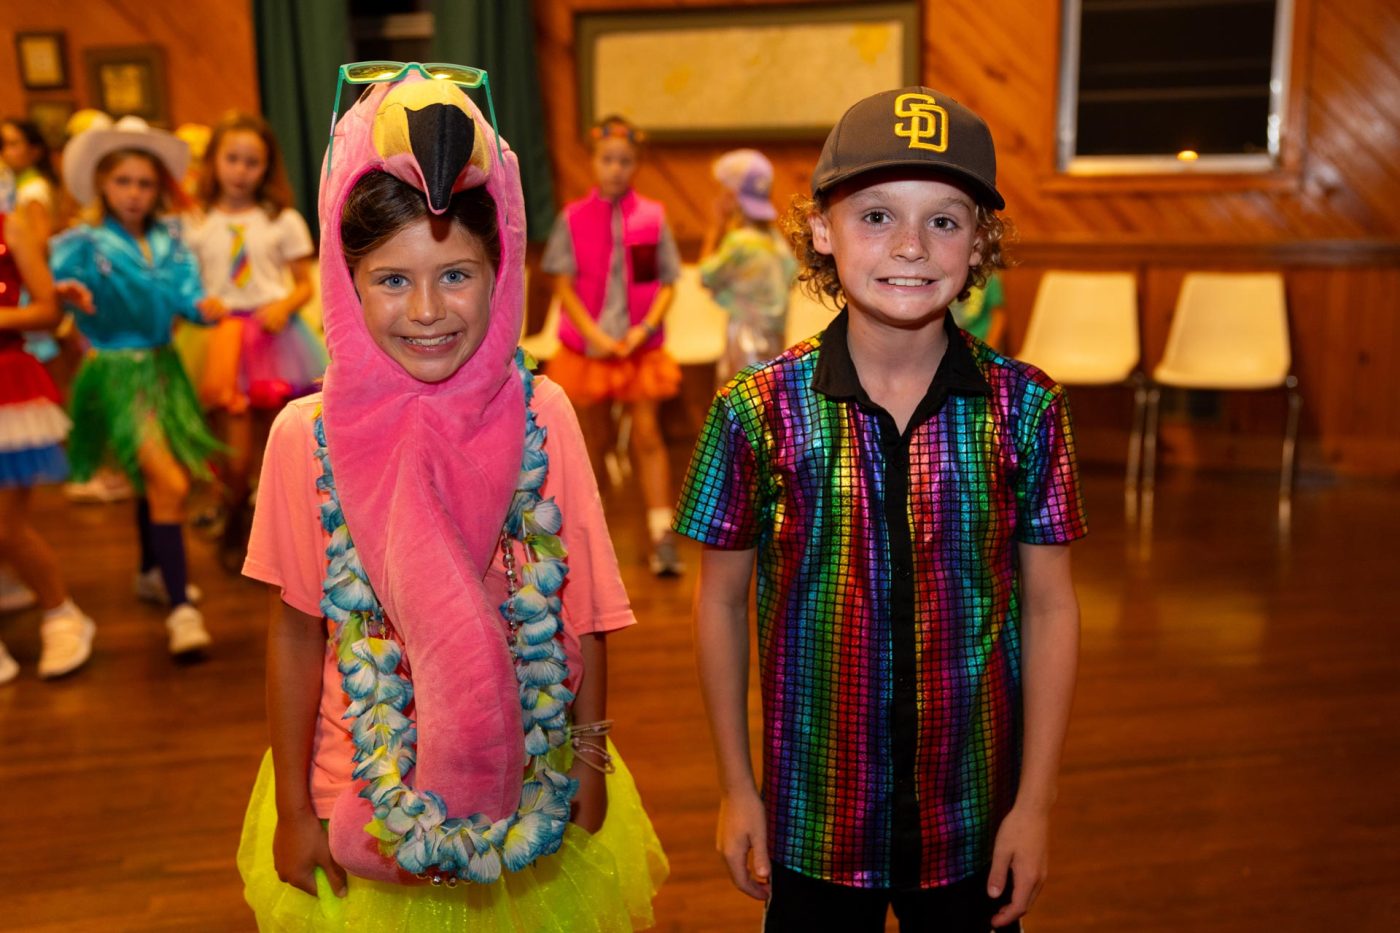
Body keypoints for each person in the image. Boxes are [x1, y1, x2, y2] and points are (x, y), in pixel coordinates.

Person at [236, 64, 666, 930]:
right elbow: (295, 629)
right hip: (356, 784)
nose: (428, 310)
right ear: (346, 286)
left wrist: (589, 757)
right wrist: (292, 806)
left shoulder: (542, 414)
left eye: (457, 275)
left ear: (500, 275)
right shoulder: (303, 437)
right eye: (392, 279)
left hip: (532, 774)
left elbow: (583, 608)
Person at [674, 87, 1087, 932]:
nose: (910, 245)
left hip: (973, 821)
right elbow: (718, 602)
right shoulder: (754, 410)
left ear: (980, 242)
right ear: (822, 230)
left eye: (944, 220)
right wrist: (736, 787)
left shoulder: (1029, 409)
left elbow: (1051, 606)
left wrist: (1035, 803)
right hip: (811, 820)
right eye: (875, 216)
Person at [50, 116, 225, 657]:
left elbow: (186, 297)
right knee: (169, 482)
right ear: (102, 184)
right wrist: (66, 295)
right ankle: (182, 610)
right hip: (115, 372)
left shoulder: (170, 240)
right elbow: (50, 292)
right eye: (123, 181)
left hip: (164, 369)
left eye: (145, 183)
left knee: (152, 481)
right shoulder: (82, 243)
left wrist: (202, 308)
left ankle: (152, 570)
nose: (134, 193)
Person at [540, 114, 685, 576]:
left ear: (636, 164)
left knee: (647, 436)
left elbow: (666, 283)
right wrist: (594, 335)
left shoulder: (652, 217)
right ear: (594, 162)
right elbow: (562, 284)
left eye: (625, 161)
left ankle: (661, 534)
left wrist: (644, 329)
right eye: (608, 160)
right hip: (588, 351)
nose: (616, 169)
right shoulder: (574, 218)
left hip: (640, 350)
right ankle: (587, 537)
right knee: (592, 441)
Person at [184, 111, 323, 571]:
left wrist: (285, 304)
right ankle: (234, 516)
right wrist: (200, 300)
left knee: (277, 445)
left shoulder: (281, 219)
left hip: (275, 338)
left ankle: (270, 532)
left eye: (252, 161)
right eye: (232, 158)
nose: (241, 170)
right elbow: (186, 283)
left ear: (267, 167)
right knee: (235, 452)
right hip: (221, 339)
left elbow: (303, 284)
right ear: (213, 161)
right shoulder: (195, 221)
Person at [0, 205, 95, 683]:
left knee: (5, 525)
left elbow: (46, 310)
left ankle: (62, 613)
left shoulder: (11, 225)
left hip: (6, 387)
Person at [698, 148, 797, 384]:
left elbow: (706, 275)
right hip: (775, 337)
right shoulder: (775, 241)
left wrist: (715, 228)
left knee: (741, 397)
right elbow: (791, 275)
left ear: (732, 196)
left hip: (744, 337)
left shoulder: (738, 243)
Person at [0, 118, 60, 245]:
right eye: (2, 144)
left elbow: (41, 242)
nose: (5, 152)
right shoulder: (15, 186)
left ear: (34, 151)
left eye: (13, 144)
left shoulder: (33, 190)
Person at [949, 270, 1006, 349]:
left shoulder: (989, 277)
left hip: (982, 342)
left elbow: (999, 317)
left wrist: (989, 348)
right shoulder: (947, 278)